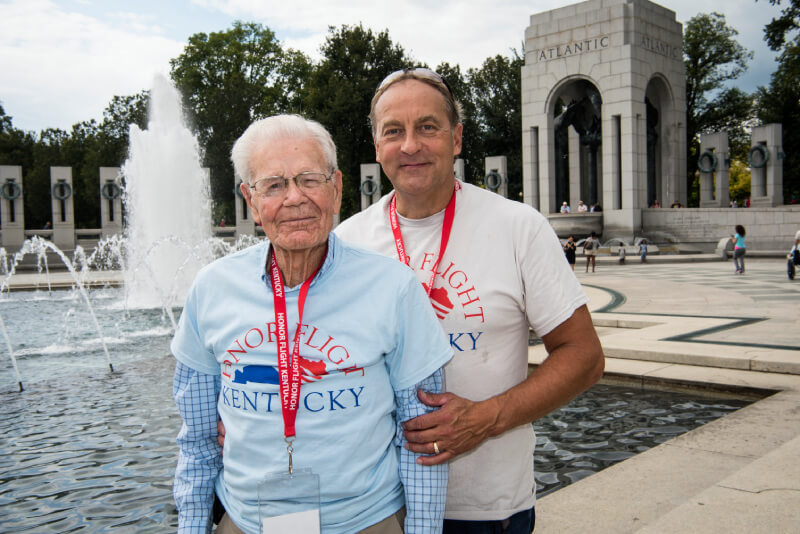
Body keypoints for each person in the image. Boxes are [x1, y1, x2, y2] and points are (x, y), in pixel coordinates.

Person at [334, 68, 604, 533]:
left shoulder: (518, 227)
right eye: (394, 131)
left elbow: (584, 356)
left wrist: (486, 418)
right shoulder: (346, 242)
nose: (411, 145)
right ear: (377, 146)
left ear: (456, 138)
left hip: (485, 509)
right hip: (375, 507)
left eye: (428, 127)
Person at [172, 114, 452, 534]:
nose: (294, 199)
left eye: (309, 179)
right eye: (274, 185)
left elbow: (422, 440)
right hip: (247, 524)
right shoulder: (211, 290)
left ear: (336, 188)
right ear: (251, 199)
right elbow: (195, 444)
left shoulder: (393, 288)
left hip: (365, 522)